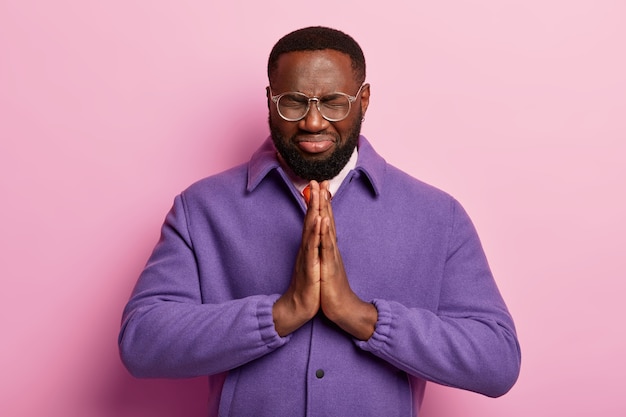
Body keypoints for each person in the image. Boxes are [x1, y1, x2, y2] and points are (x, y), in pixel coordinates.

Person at [119, 26, 521, 417]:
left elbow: (497, 360)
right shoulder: (201, 208)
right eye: (293, 102)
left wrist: (362, 317)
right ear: (269, 100)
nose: (313, 122)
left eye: (333, 102)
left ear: (363, 101)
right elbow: (141, 342)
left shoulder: (438, 216)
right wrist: (280, 313)